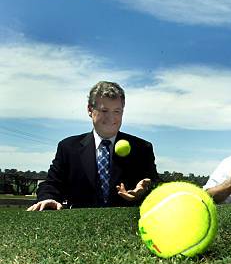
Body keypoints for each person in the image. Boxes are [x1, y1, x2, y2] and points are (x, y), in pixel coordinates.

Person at [27, 81, 159, 210]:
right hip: (79, 228)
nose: (111, 118)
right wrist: (48, 198)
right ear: (90, 109)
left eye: (117, 111)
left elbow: (156, 187)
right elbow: (51, 184)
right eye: (104, 110)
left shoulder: (142, 149)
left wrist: (146, 189)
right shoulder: (68, 148)